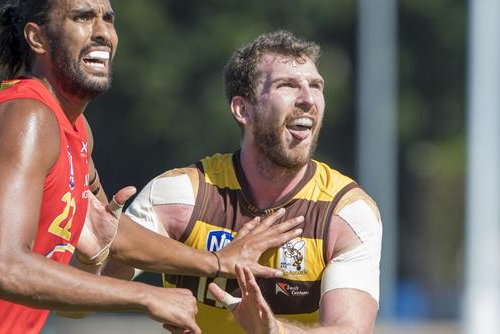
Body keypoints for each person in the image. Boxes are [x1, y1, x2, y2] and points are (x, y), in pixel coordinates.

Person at [0, 0, 304, 333]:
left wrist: (214, 262)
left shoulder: (74, 130)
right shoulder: (24, 118)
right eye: (83, 17)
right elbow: (3, 268)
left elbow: (107, 234)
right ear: (37, 37)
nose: (103, 32)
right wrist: (146, 296)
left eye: (108, 19)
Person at [114, 30, 382, 333]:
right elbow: (87, 296)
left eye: (316, 86)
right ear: (243, 109)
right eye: (288, 85)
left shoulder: (345, 213)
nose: (308, 99)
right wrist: (97, 245)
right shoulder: (181, 197)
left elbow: (350, 330)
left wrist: (274, 331)